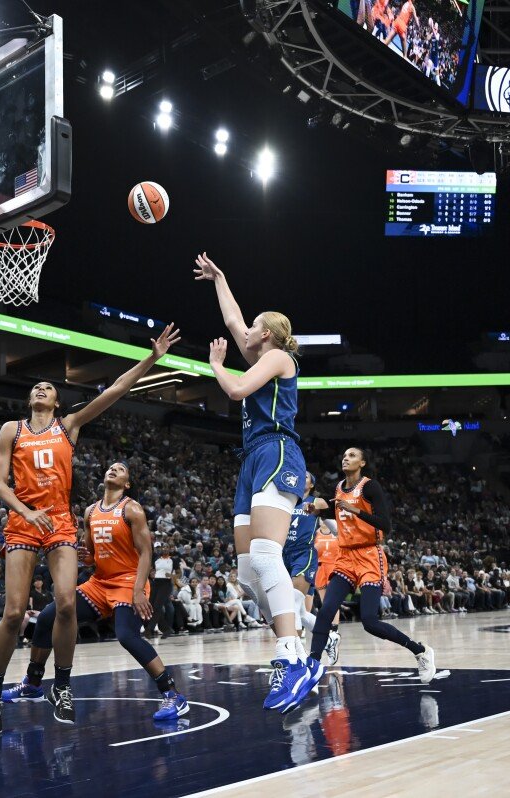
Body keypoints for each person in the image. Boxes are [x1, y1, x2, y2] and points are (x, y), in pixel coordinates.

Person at [0, 323, 180, 734]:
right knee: (15, 612)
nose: (40, 389)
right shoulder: (10, 430)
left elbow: (114, 391)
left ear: (57, 401)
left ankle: (62, 685)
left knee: (66, 605)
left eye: (48, 388)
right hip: (22, 522)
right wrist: (25, 509)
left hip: (59, 525)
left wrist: (152, 358)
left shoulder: (67, 427)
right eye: (35, 386)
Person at [195, 251, 315, 711]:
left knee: (267, 556)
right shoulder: (260, 346)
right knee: (249, 576)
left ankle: (290, 658)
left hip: (277, 449)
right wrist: (220, 277)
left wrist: (217, 366)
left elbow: (237, 389)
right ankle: (302, 637)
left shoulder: (279, 358)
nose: (242, 333)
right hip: (251, 459)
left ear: (266, 335)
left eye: (252, 329)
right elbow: (232, 319)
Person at [3, 462, 188, 722]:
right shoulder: (91, 512)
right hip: (100, 582)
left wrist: (138, 590)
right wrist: (86, 557)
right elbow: (92, 556)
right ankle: (33, 684)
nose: (114, 470)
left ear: (127, 484)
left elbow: (147, 552)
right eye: (111, 467)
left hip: (128, 582)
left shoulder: (131, 509)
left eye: (121, 470)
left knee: (126, 636)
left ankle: (173, 694)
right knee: (47, 617)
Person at [306, 447, 436, 684]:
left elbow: (385, 524)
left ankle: (420, 651)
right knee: (325, 611)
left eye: (352, 455)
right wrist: (314, 509)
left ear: (363, 463)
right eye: (344, 455)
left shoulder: (369, 487)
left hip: (368, 555)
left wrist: (355, 509)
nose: (346, 458)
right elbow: (338, 514)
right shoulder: (338, 489)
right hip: (345, 556)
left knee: (369, 621)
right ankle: (311, 665)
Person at [284, 472, 321, 640]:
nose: (301, 477)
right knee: (298, 610)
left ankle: (294, 652)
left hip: (303, 553)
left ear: (312, 485)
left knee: (292, 605)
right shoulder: (287, 502)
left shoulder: (316, 502)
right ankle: (328, 637)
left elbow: (333, 524)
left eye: (305, 477)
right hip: (284, 554)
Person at [313, 520, 342, 665]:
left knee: (333, 601)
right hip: (319, 568)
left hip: (334, 567)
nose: (324, 521)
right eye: (322, 519)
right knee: (325, 604)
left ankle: (334, 631)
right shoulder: (315, 534)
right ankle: (326, 631)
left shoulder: (337, 533)